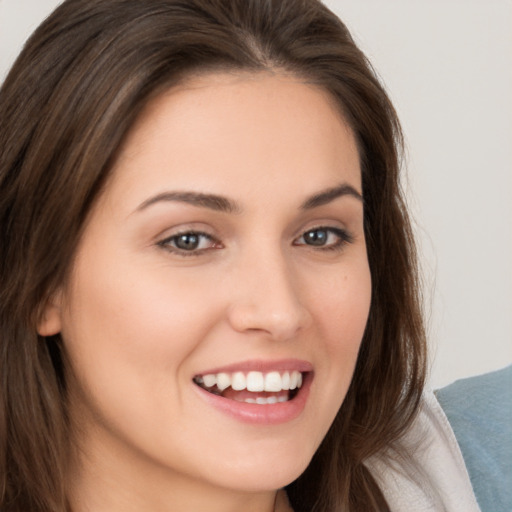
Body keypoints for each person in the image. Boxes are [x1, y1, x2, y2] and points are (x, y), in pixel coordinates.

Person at [0, 1, 481, 511]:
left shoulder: (482, 466)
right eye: (189, 240)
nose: (279, 312)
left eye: (319, 235)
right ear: (40, 278)